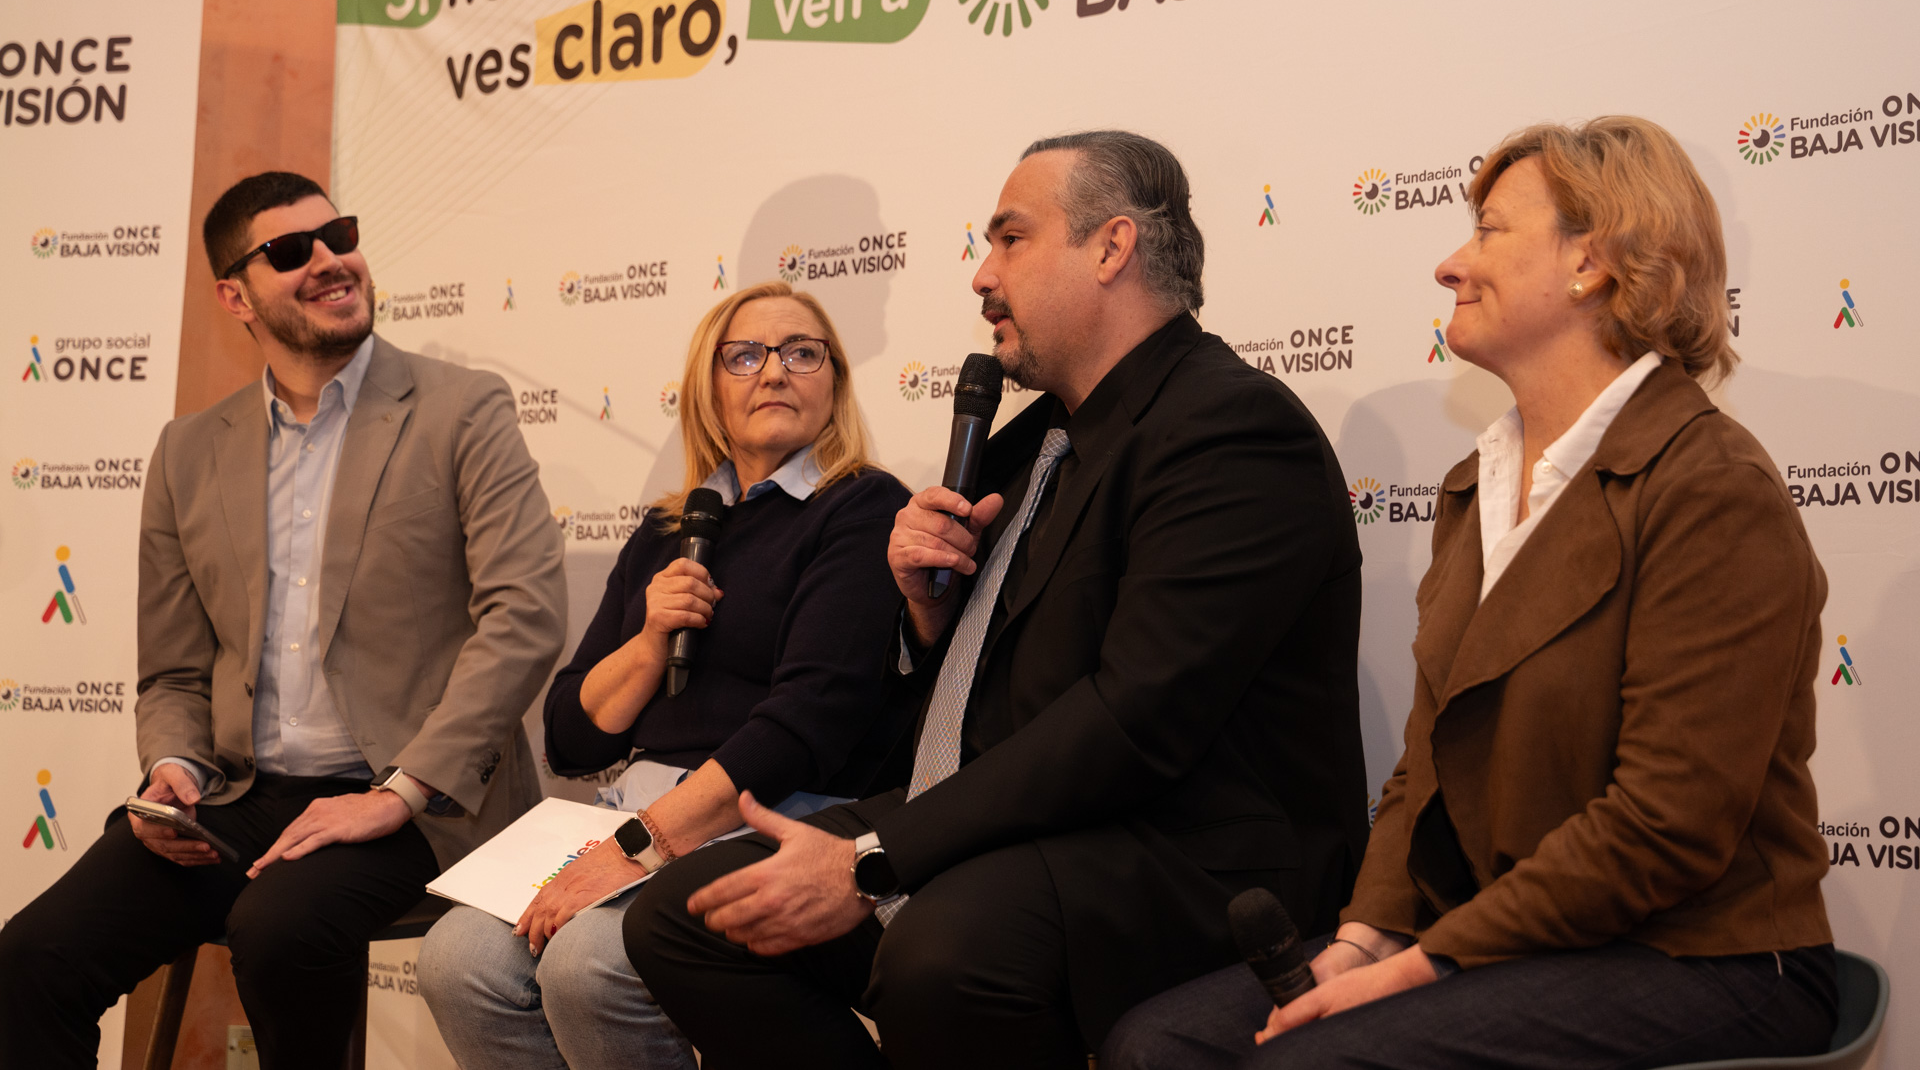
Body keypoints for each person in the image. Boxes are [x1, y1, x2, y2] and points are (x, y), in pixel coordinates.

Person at [623, 130, 1371, 1070]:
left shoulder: (1231, 427)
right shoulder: (1031, 445)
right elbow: (986, 701)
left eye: (1010, 239)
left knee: (947, 949)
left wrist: (873, 858)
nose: (981, 274)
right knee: (686, 915)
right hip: (1031, 827)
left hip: (1188, 852)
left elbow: (1133, 720)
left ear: (1112, 247)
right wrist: (927, 613)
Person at [1103, 117, 1837, 1070]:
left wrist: (1426, 965)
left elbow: (1668, 825)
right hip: (1508, 941)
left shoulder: (1709, 485)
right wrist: (1365, 937)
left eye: (1490, 230)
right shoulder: (1473, 486)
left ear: (1594, 262)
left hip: (1707, 956)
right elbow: (1423, 774)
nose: (1452, 263)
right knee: (1153, 1045)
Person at [0, 173, 568, 1070]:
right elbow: (175, 670)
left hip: (415, 796)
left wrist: (398, 792)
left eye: (337, 234)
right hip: (237, 798)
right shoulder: (189, 450)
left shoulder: (463, 409)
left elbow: (526, 613)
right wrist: (172, 767)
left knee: (279, 931)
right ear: (235, 295)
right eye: (290, 250)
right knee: (30, 960)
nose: (329, 260)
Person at [416, 280, 916, 1070]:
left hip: (765, 817)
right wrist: (650, 639)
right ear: (709, 387)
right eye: (745, 355)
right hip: (633, 815)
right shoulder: (669, 527)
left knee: (590, 967)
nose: (775, 372)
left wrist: (640, 847)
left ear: (836, 382)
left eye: (802, 353)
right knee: (457, 962)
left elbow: (808, 719)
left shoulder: (860, 505)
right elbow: (571, 738)